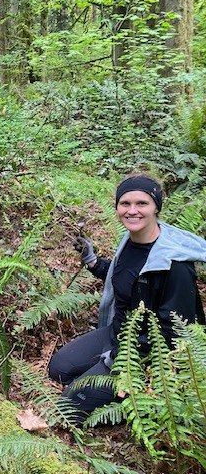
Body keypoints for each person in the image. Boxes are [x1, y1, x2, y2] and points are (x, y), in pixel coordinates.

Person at [48, 174, 206, 418]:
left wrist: (122, 360)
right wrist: (93, 263)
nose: (132, 211)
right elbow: (129, 282)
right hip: (116, 332)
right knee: (58, 370)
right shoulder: (129, 241)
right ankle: (99, 378)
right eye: (125, 203)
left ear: (156, 208)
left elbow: (174, 330)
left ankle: (146, 404)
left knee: (68, 409)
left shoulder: (175, 265)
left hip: (144, 353)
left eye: (142, 203)